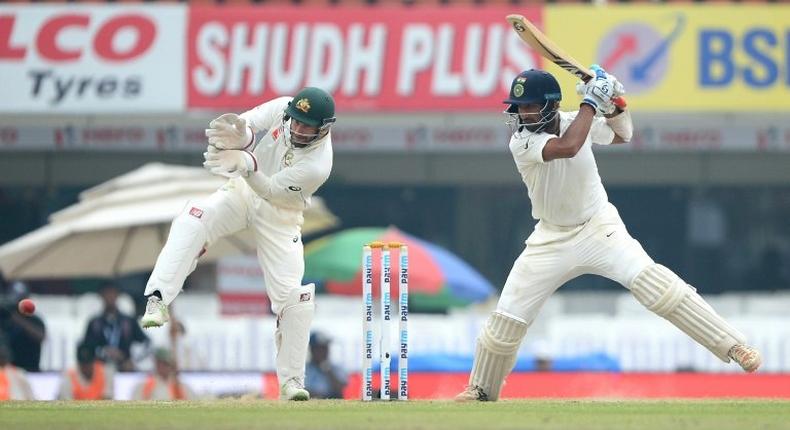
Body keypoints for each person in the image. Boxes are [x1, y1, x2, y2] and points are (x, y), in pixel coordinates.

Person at [455, 67, 762, 402]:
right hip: (549, 238)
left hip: (599, 228)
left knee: (656, 286)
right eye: (520, 107)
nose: (523, 113)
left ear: (551, 104)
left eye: (531, 105)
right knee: (506, 322)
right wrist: (592, 100)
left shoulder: (576, 119)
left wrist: (615, 104)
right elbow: (570, 146)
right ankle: (481, 389)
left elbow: (622, 135)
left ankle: (735, 345)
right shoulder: (522, 141)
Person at [140, 87, 336, 401]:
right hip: (241, 193)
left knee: (293, 298)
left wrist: (246, 163)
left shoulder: (317, 164)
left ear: (322, 128)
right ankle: (159, 298)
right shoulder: (283, 107)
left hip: (280, 214)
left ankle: (291, 383)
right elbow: (244, 124)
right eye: (296, 121)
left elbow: (271, 191)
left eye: (306, 126)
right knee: (193, 219)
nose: (298, 129)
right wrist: (237, 137)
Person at [83, 283, 150, 371]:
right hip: (101, 371)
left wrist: (134, 360)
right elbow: (85, 348)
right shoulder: (95, 323)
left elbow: (146, 343)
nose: (110, 297)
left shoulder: (128, 321)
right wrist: (102, 351)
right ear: (101, 296)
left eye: (113, 293)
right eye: (106, 294)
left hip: (125, 371)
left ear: (117, 295)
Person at [0, 281, 46, 372]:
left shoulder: (35, 319)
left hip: (30, 369)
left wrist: (19, 320)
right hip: (10, 370)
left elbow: (41, 336)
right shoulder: (4, 317)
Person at [304, 332, 347, 399]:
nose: (323, 352)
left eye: (325, 348)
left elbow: (341, 389)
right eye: (319, 349)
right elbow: (303, 391)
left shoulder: (335, 367)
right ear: (312, 349)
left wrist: (327, 371)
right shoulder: (305, 369)